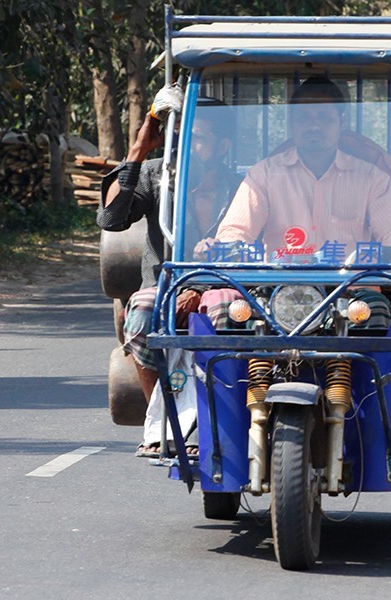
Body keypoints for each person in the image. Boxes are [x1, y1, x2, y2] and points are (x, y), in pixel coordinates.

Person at [98, 87, 242, 457]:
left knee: (231, 316)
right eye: (183, 138)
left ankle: (225, 419)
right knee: (142, 312)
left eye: (200, 140)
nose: (187, 148)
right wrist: (138, 150)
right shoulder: (155, 175)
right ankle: (161, 424)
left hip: (226, 287)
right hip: (164, 287)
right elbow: (111, 219)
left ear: (223, 146)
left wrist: (202, 286)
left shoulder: (243, 185)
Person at [198, 76, 391, 264]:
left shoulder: (371, 178)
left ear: (341, 122)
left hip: (353, 290)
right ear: (291, 123)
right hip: (279, 292)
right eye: (304, 118)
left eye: (324, 117)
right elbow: (236, 231)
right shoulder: (264, 175)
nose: (314, 126)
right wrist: (224, 246)